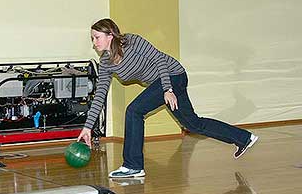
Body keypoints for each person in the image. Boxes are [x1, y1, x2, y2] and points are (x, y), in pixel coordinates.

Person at [77, 18, 259, 178]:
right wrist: (87, 128)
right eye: (92, 38)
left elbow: (159, 59)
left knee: (134, 110)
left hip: (174, 75)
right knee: (192, 124)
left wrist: (168, 88)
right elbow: (100, 94)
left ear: (110, 36)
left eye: (97, 37)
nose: (94, 43)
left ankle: (133, 166)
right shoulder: (106, 62)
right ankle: (244, 138)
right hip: (163, 83)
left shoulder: (132, 42)